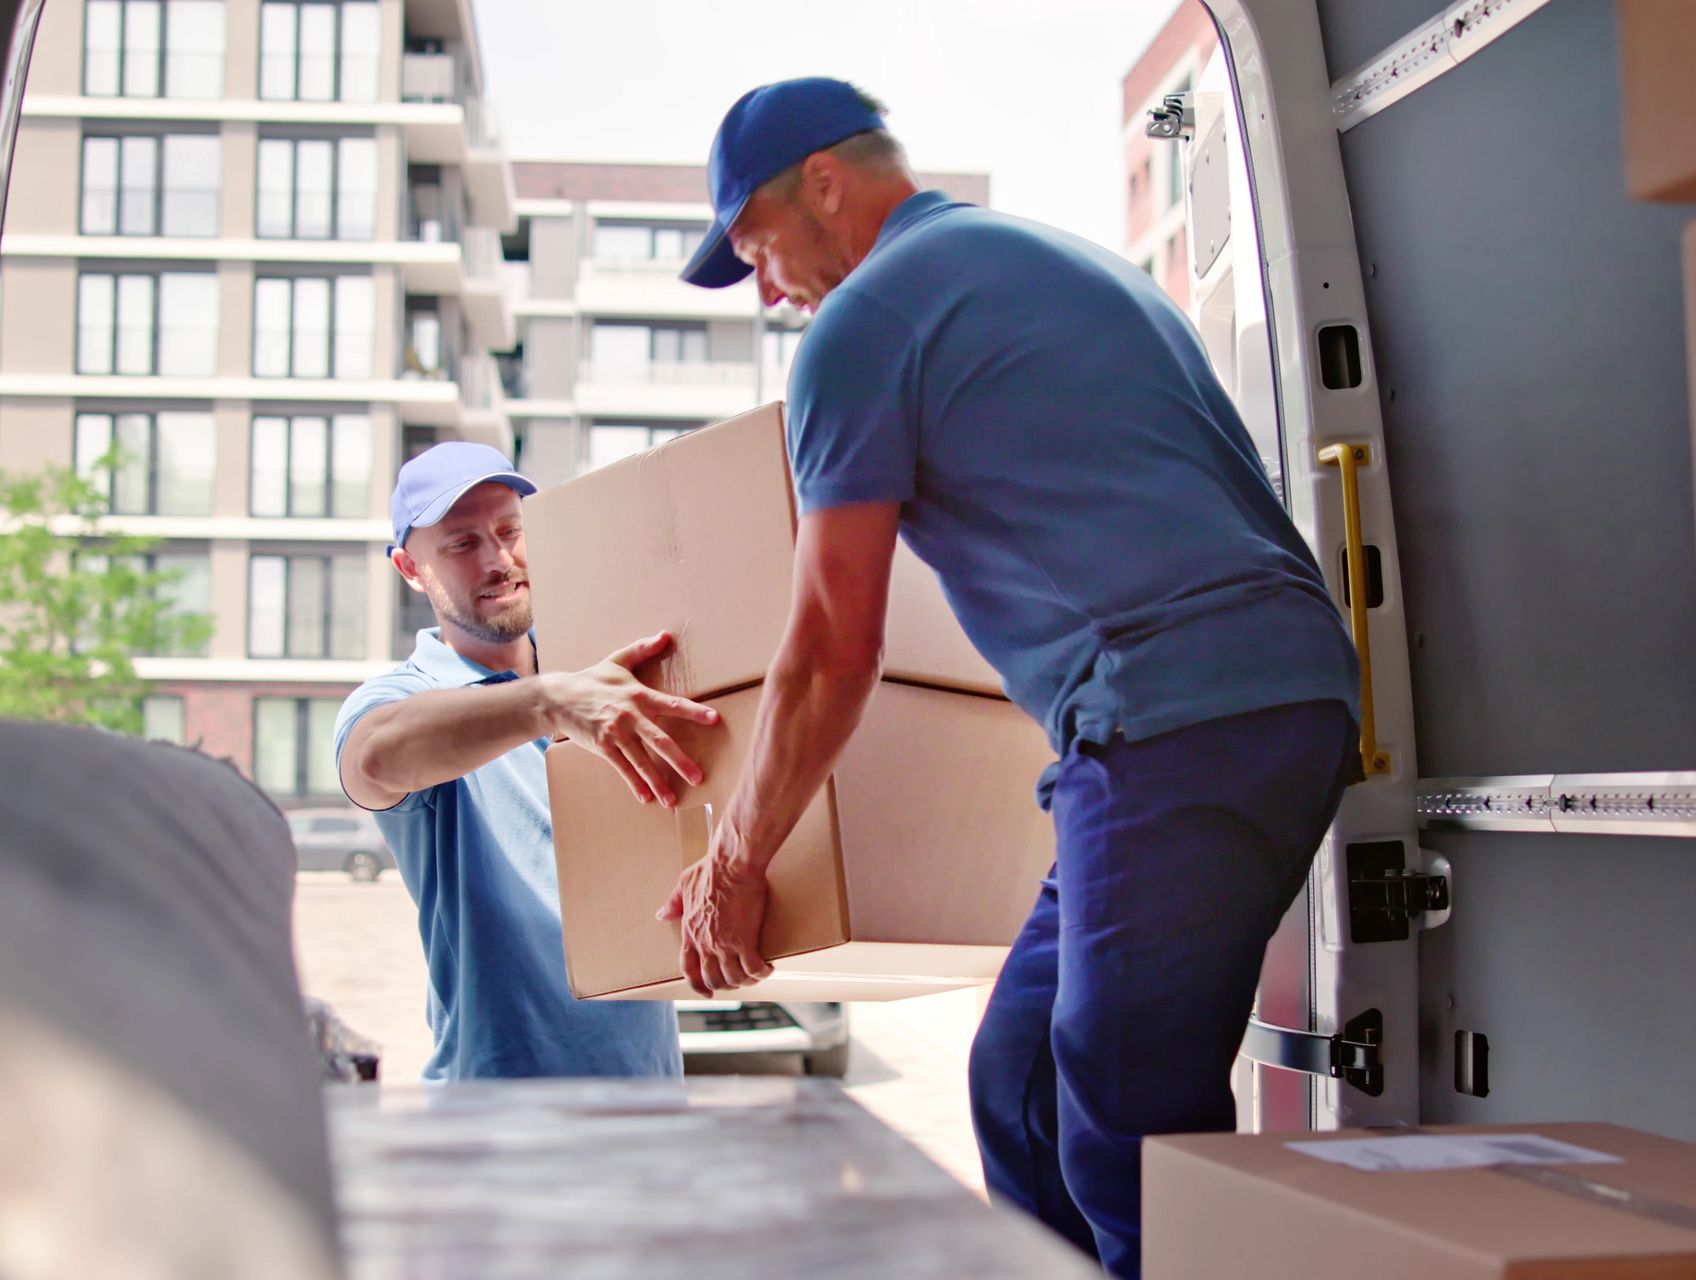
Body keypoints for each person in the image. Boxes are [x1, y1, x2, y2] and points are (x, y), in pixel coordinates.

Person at [657, 78, 1363, 1277]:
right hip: (1250, 704)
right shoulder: (1054, 262)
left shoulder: (863, 324)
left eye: (755, 248)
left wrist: (734, 862)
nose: (770, 292)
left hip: (1173, 716)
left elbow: (832, 648)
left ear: (823, 184)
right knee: (1022, 1074)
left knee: (1125, 1124)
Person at [338, 442, 720, 1081]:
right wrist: (548, 704)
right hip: (497, 1120)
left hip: (649, 1104)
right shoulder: (403, 697)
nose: (499, 559)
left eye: (511, 531)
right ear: (410, 567)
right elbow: (374, 760)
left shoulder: (609, 678)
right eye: (461, 544)